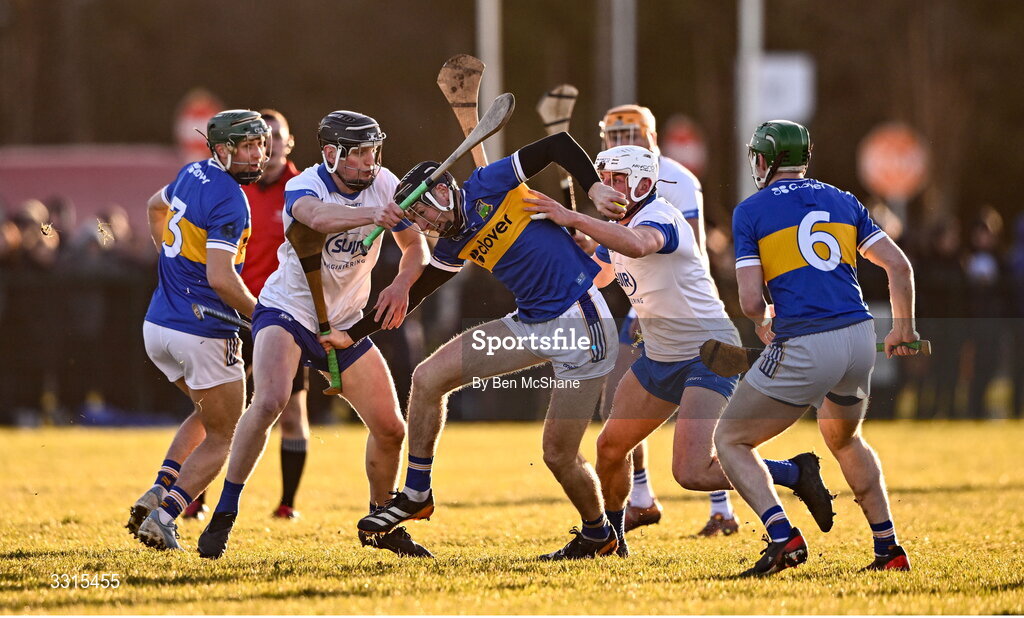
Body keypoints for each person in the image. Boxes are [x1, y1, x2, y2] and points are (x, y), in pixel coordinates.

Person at [525, 145, 833, 557]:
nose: (608, 187)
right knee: (610, 449)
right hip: (660, 355)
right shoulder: (618, 223)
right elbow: (597, 277)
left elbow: (638, 245)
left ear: (644, 183)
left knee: (691, 471)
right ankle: (609, 541)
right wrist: (559, 243)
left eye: (618, 179)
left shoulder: (659, 216)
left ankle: (793, 472)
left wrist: (575, 217)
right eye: (605, 178)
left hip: (710, 352)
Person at [346, 131, 627, 560]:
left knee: (557, 455)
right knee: (427, 378)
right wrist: (352, 332)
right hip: (532, 322)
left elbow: (557, 145)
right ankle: (417, 491)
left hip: (582, 324)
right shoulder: (455, 241)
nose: (422, 225)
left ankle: (598, 534)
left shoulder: (488, 183)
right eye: (415, 220)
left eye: (422, 213)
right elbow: (420, 289)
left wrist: (595, 187)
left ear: (443, 189)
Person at [196, 110, 432, 559]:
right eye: (359, 153)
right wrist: (373, 214)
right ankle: (225, 513)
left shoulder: (385, 183)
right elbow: (316, 218)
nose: (370, 162)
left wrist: (402, 282)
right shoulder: (304, 184)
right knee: (269, 400)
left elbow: (415, 247)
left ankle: (381, 522)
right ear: (331, 153)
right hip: (287, 310)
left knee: (391, 429)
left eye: (373, 151)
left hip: (344, 325)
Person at [714, 120, 919, 576]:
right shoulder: (843, 199)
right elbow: (899, 267)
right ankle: (889, 550)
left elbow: (750, 300)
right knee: (844, 439)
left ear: (764, 160)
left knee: (729, 439)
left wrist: (762, 319)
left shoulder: (751, 211)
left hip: (807, 340)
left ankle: (783, 538)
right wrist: (902, 328)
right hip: (858, 337)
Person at [127, 109, 270, 550]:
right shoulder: (232, 198)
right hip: (203, 329)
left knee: (208, 415)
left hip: (159, 326)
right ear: (223, 149)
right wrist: (264, 316)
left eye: (260, 144)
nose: (258, 155)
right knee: (227, 434)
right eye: (247, 146)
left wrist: (169, 262)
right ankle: (166, 516)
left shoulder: (193, 171)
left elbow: (154, 205)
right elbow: (222, 279)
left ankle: (160, 488)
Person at [596, 104, 733, 535]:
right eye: (613, 135)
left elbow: (685, 249)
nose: (620, 144)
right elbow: (605, 260)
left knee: (695, 446)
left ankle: (722, 506)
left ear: (651, 138)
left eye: (629, 134)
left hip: (682, 317)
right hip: (649, 306)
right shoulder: (612, 183)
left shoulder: (676, 180)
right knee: (615, 410)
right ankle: (639, 498)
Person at [181, 109, 308, 522]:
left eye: (273, 138)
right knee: (214, 408)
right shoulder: (234, 186)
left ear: (286, 144)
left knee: (289, 410)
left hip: (285, 314)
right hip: (236, 310)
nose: (265, 148)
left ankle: (287, 504)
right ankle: (193, 496)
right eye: (257, 139)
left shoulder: (304, 188)